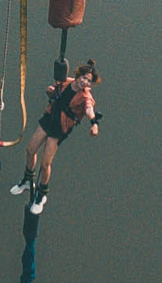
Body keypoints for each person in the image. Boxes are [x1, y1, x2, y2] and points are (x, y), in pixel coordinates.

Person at [9, 59, 101, 215]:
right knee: (30, 149)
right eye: (84, 78)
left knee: (45, 163)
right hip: (49, 118)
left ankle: (41, 194)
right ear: (78, 75)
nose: (84, 82)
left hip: (60, 127)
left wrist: (94, 123)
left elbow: (89, 109)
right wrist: (50, 91)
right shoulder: (65, 82)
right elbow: (53, 93)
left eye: (88, 81)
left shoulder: (86, 96)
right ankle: (27, 180)